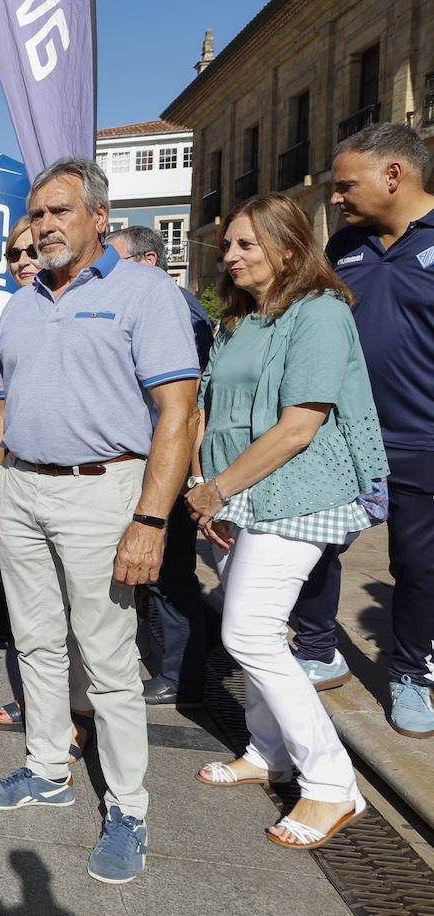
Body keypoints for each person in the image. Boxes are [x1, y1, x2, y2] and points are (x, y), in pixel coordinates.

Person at [0, 158, 199, 884]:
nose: (46, 226)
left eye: (60, 211)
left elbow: (178, 412)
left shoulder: (146, 292)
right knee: (34, 642)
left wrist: (151, 520)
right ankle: (46, 768)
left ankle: (128, 809)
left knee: (107, 658)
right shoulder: (26, 301)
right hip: (23, 491)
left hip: (104, 491)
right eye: (38, 215)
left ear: (99, 217)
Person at [185, 192, 387, 849]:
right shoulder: (240, 317)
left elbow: (301, 426)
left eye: (248, 244)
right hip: (234, 493)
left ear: (289, 248)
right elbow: (210, 406)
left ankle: (333, 785)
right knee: (259, 630)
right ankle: (267, 749)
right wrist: (204, 485)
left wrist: (217, 489)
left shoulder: (321, 312)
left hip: (293, 493)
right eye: (231, 245)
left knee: (249, 632)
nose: (233, 256)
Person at [304, 122, 434, 739]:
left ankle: (411, 672)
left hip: (423, 442)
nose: (335, 197)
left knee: (418, 566)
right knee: (317, 547)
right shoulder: (343, 246)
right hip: (345, 440)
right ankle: (316, 648)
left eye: (344, 184)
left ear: (394, 175)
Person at [0, 220, 94, 764]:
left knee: (87, 620)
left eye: (33, 250)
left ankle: (81, 716)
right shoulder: (17, 310)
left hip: (92, 482)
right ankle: (50, 719)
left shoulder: (106, 296)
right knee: (38, 620)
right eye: (14, 254)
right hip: (22, 478)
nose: (25, 259)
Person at [105, 225, 214, 708]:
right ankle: (172, 664)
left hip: (165, 460)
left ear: (147, 262)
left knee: (170, 573)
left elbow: (185, 404)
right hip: (151, 455)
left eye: (118, 261)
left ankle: (179, 675)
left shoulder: (177, 310)